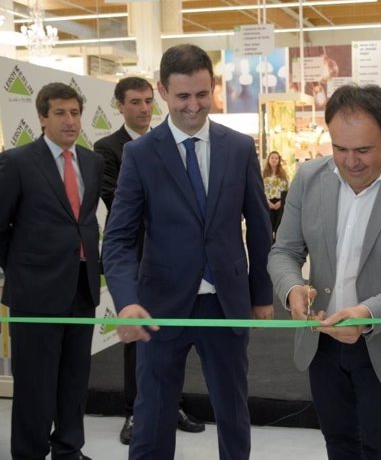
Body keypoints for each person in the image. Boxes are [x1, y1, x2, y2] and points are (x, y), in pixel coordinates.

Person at [102, 44, 274, 460]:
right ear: (163, 90)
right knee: (153, 412)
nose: (193, 106)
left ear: (213, 87)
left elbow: (259, 224)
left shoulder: (237, 147)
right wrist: (125, 301)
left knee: (233, 409)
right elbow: (119, 238)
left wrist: (262, 292)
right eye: (182, 96)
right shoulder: (140, 154)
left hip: (226, 301)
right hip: (161, 306)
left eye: (201, 94)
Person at [268, 84, 381, 459]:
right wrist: (292, 289)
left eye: (363, 150)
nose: (350, 162)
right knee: (340, 444)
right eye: (339, 149)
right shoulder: (309, 179)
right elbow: (284, 251)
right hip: (323, 344)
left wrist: (366, 315)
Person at [93, 76, 205, 445]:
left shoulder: (170, 140)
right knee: (136, 340)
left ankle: (172, 405)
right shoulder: (107, 148)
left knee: (174, 336)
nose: (143, 109)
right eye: (134, 102)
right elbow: (118, 201)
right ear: (119, 105)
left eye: (146, 101)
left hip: (175, 260)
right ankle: (133, 413)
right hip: (135, 261)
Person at [0, 82, 104, 460]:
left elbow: (84, 222)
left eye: (75, 112)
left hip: (81, 287)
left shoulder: (92, 162)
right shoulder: (18, 162)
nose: (70, 120)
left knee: (75, 380)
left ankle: (68, 449)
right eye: (60, 113)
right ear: (42, 118)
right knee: (35, 384)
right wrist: (23, 269)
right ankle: (29, 453)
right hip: (35, 293)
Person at [262, 150, 290, 241]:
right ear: (268, 159)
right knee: (268, 226)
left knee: (279, 227)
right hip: (267, 202)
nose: (274, 160)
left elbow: (287, 189)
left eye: (276, 158)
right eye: (272, 158)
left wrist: (281, 202)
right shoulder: (263, 173)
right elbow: (260, 189)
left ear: (279, 160)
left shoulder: (284, 174)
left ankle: (278, 247)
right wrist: (267, 202)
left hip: (280, 202)